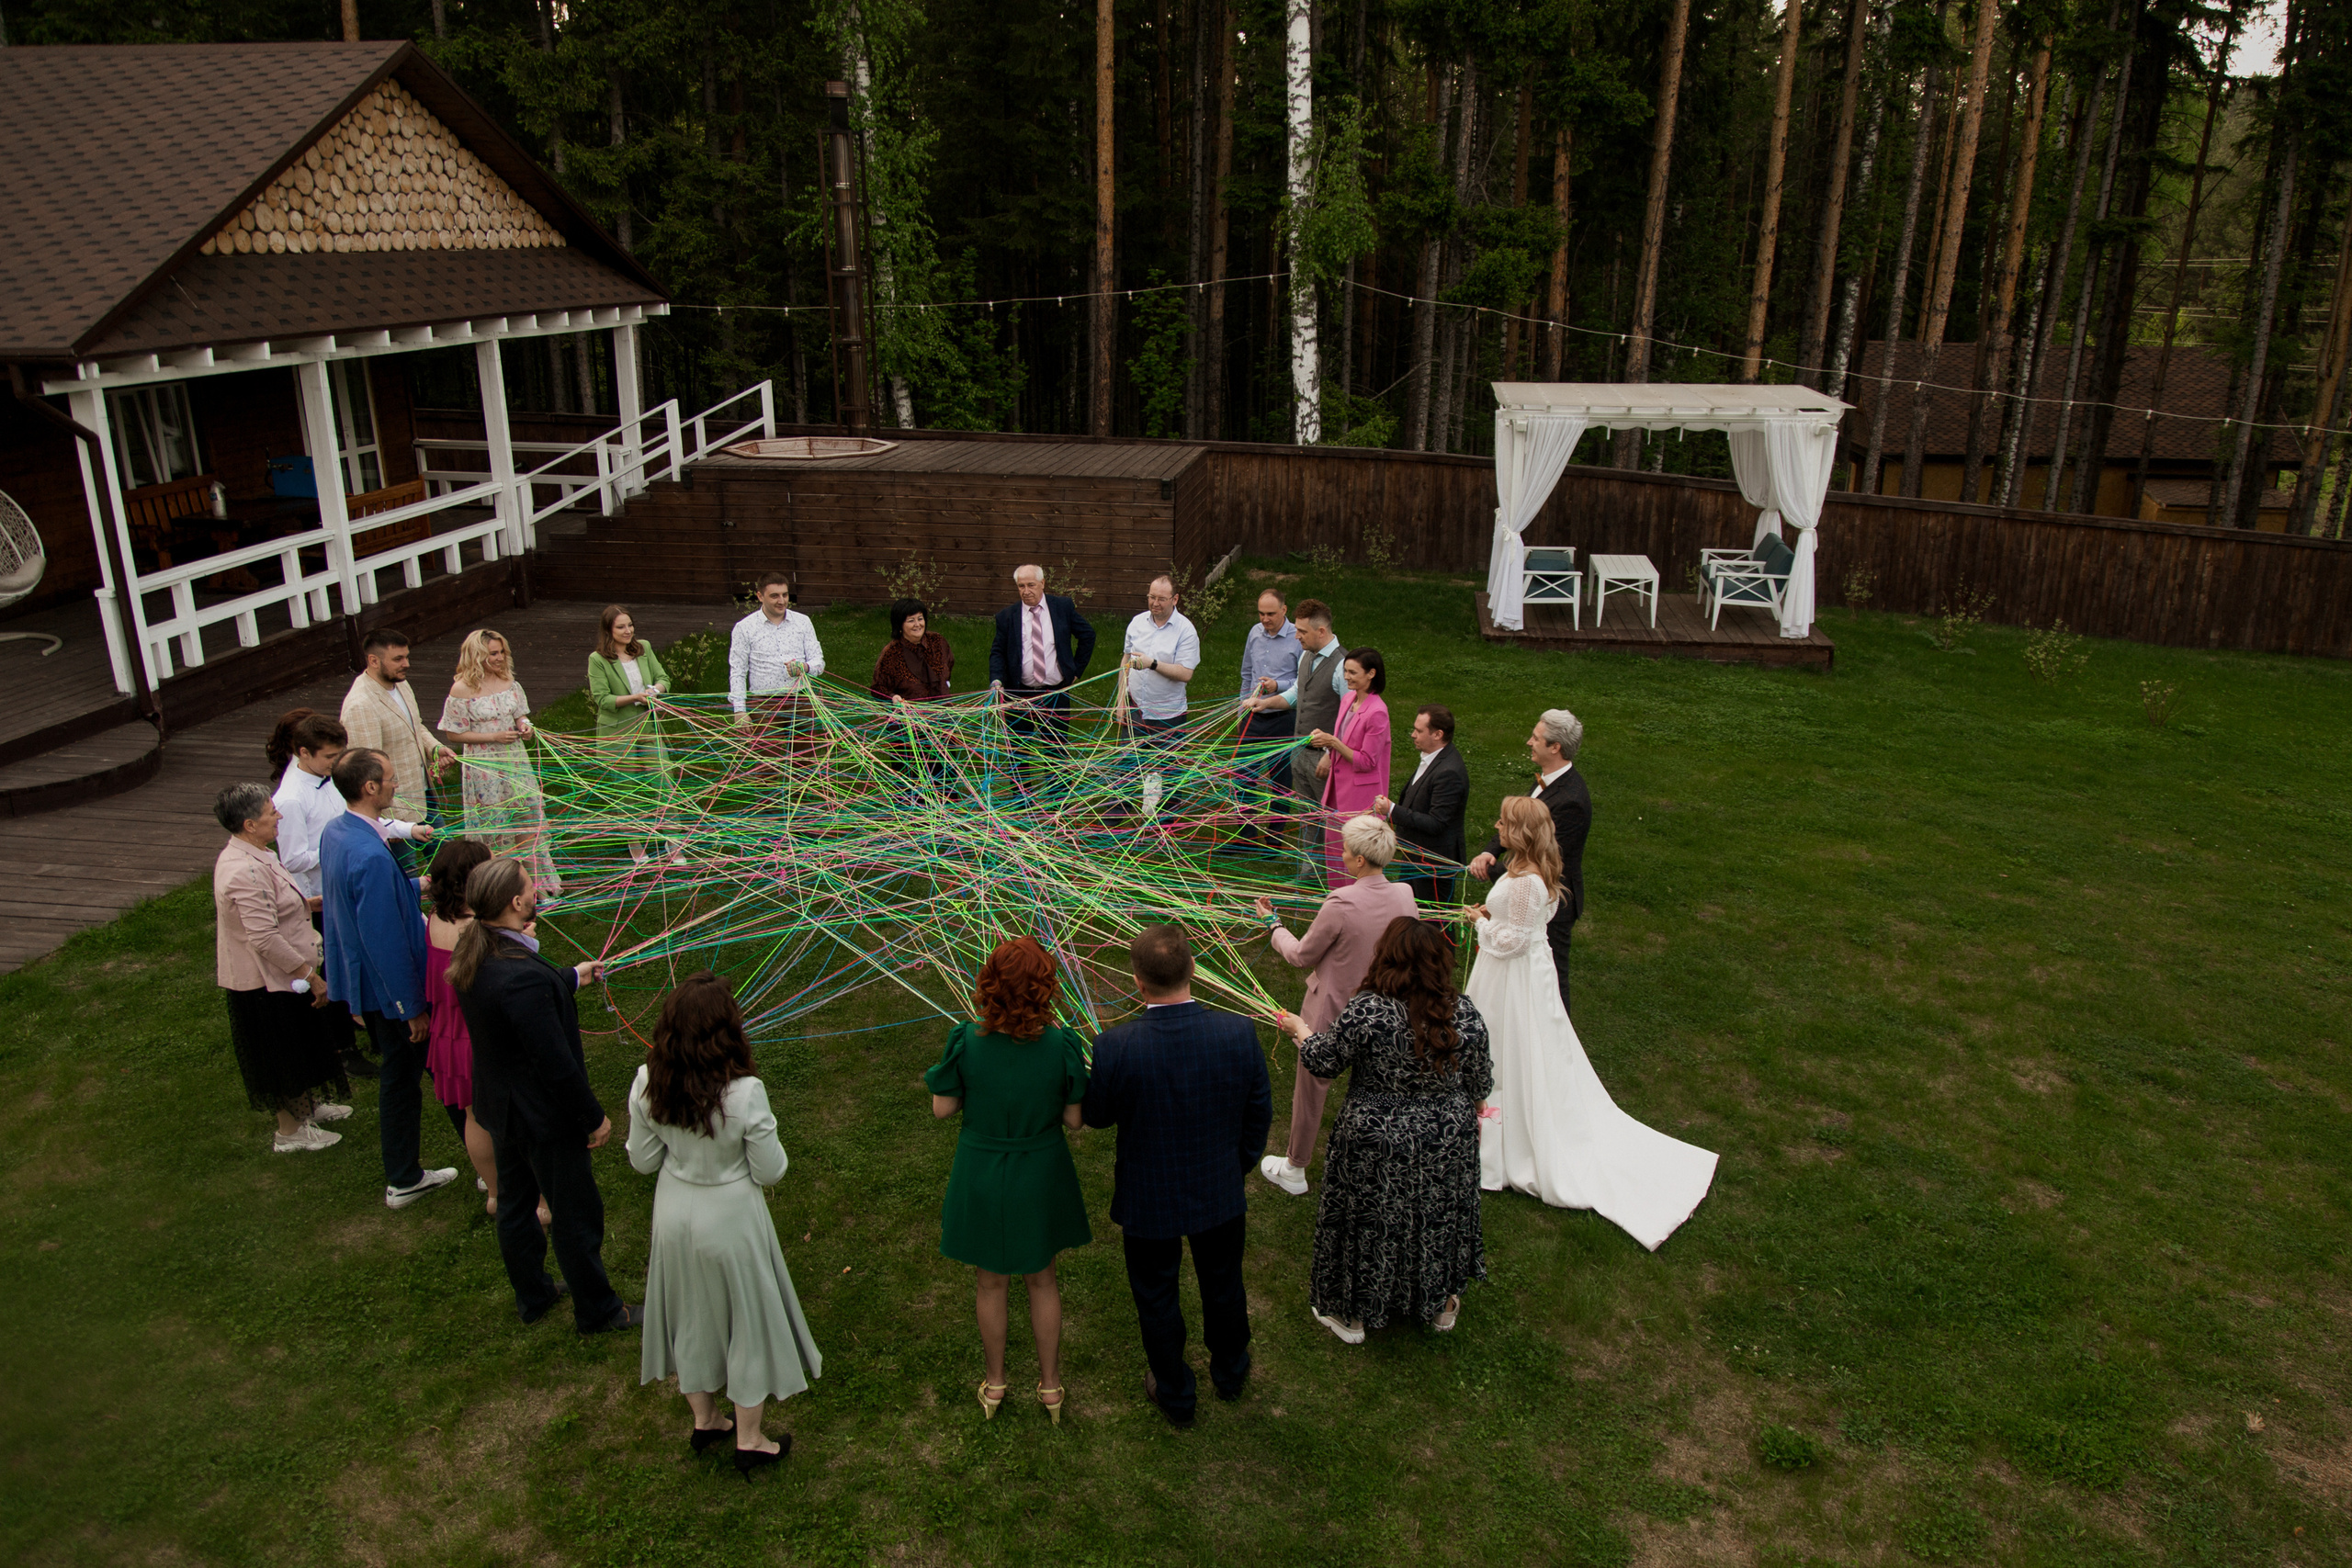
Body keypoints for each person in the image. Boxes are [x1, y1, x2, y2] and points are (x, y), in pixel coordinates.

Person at [1464, 798, 1716, 1247]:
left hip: (1513, 979)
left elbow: (1514, 942)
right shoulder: (1523, 871)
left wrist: (1480, 924)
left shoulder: (1525, 883)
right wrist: (1491, 917)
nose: (1496, 827)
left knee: (1513, 1047)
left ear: (1520, 833)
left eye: (1503, 822)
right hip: (1513, 973)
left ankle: (1508, 1143)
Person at [628, 972, 822, 1479]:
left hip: (674, 1214)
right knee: (748, 1324)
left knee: (690, 1317)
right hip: (732, 1219)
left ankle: (706, 1419)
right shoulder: (745, 1092)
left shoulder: (648, 1079)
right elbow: (771, 1169)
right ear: (728, 1030)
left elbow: (644, 1161)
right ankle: (750, 1438)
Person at [1081, 925, 1271, 1427]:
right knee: (1223, 1284)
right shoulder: (1237, 1034)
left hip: (1150, 1197)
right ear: (1192, 970)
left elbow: (1097, 1116)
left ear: (1138, 983)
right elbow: (1259, 1115)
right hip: (1218, 1191)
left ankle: (1176, 1392)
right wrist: (1236, 1167)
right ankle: (1230, 1373)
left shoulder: (1115, 1047)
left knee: (1157, 1294)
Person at [1273, 918, 1491, 1341]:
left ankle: (1351, 1316)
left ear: (1387, 957)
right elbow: (1480, 1083)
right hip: (1446, 1138)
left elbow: (1324, 1061)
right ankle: (1440, 1305)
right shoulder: (1464, 1012)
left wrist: (1301, 1030)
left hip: (1377, 1138)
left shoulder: (1369, 1010)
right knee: (1436, 1217)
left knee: (1368, 1220)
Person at [447, 856, 639, 1333]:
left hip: (502, 1109)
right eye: (530, 885)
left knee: (515, 1204)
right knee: (576, 1214)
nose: (536, 890)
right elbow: (555, 1065)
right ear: (516, 902)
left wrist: (571, 977)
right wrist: (593, 1118)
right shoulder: (521, 978)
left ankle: (532, 1296)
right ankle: (598, 1311)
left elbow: (517, 1002)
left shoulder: (480, 951)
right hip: (542, 1118)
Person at [924, 938, 1092, 1424]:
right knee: (1043, 1278)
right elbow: (1075, 1120)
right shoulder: (1062, 1045)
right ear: (1045, 989)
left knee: (990, 1282)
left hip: (982, 1171)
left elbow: (942, 1108)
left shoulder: (967, 1040)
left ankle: (996, 1384)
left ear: (990, 985)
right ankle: (1051, 1387)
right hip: (1040, 1172)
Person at [320, 749, 460, 1210]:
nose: (398, 784)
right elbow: (382, 937)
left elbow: (350, 911)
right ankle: (472, 1169)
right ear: (370, 788)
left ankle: (407, 1175)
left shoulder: (338, 832)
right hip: (394, 994)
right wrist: (411, 1008)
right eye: (392, 779)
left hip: (367, 986)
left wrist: (414, 887)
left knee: (408, 1075)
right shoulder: (370, 857)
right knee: (437, 1069)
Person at [1250, 813, 1418, 1197]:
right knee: (1380, 1085)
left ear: (1360, 860)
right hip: (1390, 1010)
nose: (1340, 854)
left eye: (1345, 849)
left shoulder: (1340, 902)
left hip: (1333, 1011)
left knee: (1312, 1087)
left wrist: (1273, 923)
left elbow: (1300, 956)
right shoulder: (1405, 895)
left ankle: (1295, 1168)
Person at [267, 707, 429, 1081]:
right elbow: (293, 858)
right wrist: (409, 1005)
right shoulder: (294, 801)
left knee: (399, 1074)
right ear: (303, 753)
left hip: (346, 883)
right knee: (359, 958)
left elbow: (361, 820)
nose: (335, 762)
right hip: (323, 895)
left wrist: (406, 831)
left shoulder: (339, 818)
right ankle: (356, 1033)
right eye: (328, 756)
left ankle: (374, 1021)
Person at [211, 782, 349, 1154]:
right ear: (249, 824)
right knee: (280, 1053)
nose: (279, 816)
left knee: (299, 1043)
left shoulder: (257, 854)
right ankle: (289, 1131)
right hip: (264, 983)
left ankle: (307, 1108)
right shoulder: (244, 870)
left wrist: (311, 904)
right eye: (271, 812)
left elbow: (276, 905)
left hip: (279, 977)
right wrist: (310, 975)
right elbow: (264, 938)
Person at [422, 836, 543, 1223]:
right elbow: (509, 974)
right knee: (513, 1114)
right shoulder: (479, 929)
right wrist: (526, 940)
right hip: (478, 1029)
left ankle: (495, 1194)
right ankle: (535, 1200)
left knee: (475, 1115)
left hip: (448, 1029)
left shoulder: (436, 918)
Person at [1466, 708, 1590, 1017]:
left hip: (1553, 900)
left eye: (1536, 738)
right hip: (1527, 882)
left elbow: (1546, 857)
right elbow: (1517, 824)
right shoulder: (1545, 781)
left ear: (1555, 748)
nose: (1528, 742)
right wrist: (1489, 851)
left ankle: (1557, 1036)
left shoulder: (1571, 799)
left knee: (1550, 977)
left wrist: (1492, 871)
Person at [438, 629, 560, 896]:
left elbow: (521, 715)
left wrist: (525, 726)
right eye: (493, 653)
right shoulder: (461, 689)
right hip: (485, 766)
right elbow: (453, 732)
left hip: (515, 760)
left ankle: (537, 886)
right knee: (496, 823)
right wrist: (492, 736)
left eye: (501, 651)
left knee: (525, 819)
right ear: (477, 656)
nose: (499, 657)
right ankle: (503, 888)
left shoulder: (509, 682)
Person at [1243, 599, 1346, 877]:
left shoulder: (1342, 666)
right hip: (1299, 749)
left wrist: (1330, 754)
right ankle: (1308, 871)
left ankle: (1334, 870)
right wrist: (1267, 703)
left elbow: (1350, 716)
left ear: (1321, 632)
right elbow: (1297, 695)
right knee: (1306, 814)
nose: (1296, 636)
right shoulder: (1306, 656)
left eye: (1301, 631)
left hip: (1322, 756)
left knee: (1328, 815)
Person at [338, 629, 458, 847]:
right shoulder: (360, 705)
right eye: (398, 659)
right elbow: (366, 770)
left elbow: (416, 726)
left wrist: (435, 748)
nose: (406, 664)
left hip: (424, 795)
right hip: (393, 809)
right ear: (373, 660)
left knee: (447, 857)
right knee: (407, 872)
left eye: (406, 657)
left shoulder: (401, 683)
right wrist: (385, 821)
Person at [586, 604, 680, 867]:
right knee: (628, 790)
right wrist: (635, 697)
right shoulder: (598, 659)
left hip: (648, 728)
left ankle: (673, 842)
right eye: (620, 627)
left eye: (630, 625)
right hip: (618, 734)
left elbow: (663, 677)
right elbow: (603, 699)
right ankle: (635, 843)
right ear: (608, 630)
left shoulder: (644, 648)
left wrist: (655, 690)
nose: (628, 631)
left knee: (664, 782)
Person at [987, 563, 1096, 767]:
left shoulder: (1062, 607)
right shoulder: (1007, 617)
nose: (1026, 591)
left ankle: (1057, 798)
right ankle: (1022, 798)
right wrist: (996, 679)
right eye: (1021, 586)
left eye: (1031, 585)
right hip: (1019, 695)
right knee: (1018, 755)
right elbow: (998, 652)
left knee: (1056, 752)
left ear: (1042, 583)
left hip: (1055, 693)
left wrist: (1075, 670)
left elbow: (1087, 635)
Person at [1308, 648, 1392, 888]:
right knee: (1335, 850)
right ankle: (1339, 897)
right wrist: (1327, 743)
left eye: (1353, 672)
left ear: (1371, 674)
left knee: (1356, 853)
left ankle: (1358, 900)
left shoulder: (1377, 712)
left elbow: (1367, 761)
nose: (1347, 677)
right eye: (1345, 671)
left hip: (1360, 796)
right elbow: (1341, 735)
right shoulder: (1348, 699)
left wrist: (1333, 743)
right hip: (1337, 789)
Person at [1112, 576, 1199, 795]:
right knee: (1125, 769)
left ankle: (1167, 822)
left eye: (1161, 599)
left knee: (1170, 773)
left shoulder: (1186, 630)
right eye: (1151, 597)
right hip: (1135, 710)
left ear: (1175, 599)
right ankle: (1114, 822)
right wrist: (1121, 700)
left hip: (1168, 716)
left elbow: (1186, 673)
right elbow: (1126, 660)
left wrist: (1153, 664)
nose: (1155, 603)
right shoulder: (1137, 623)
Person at [1377, 705, 1470, 907]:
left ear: (1437, 734)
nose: (1412, 735)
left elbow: (1437, 823)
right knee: (1408, 914)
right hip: (1416, 859)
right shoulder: (1433, 759)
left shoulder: (1449, 772)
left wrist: (1392, 810)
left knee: (1434, 923)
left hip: (1434, 865)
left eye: (1419, 731)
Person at [728, 570, 826, 728]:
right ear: (760, 596)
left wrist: (805, 667)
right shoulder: (744, 628)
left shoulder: (803, 622)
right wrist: (739, 710)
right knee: (769, 752)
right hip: (765, 705)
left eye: (785, 595)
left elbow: (818, 662)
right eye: (774, 596)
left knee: (806, 751)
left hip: (802, 702)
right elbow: (738, 671)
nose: (781, 601)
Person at [870, 597, 955, 703]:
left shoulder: (937, 641)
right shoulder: (892, 653)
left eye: (920, 619)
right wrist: (892, 697)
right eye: (911, 620)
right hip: (910, 715)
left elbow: (949, 664)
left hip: (943, 711)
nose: (917, 625)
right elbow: (878, 688)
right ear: (900, 625)